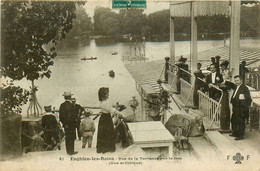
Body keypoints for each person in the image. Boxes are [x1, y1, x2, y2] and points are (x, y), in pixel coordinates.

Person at [96, 87, 124, 153]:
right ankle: (108, 148)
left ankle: (103, 148)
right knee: (108, 132)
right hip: (106, 118)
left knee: (103, 133)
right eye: (107, 93)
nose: (108, 94)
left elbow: (110, 107)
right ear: (104, 94)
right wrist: (121, 114)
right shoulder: (105, 103)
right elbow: (112, 110)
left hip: (103, 117)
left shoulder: (102, 102)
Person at [225, 75, 252, 140]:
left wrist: (243, 105)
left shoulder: (244, 88)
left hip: (241, 108)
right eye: (235, 81)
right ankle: (235, 133)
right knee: (234, 120)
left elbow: (249, 99)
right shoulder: (237, 87)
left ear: (241, 80)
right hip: (236, 107)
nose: (236, 82)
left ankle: (240, 135)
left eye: (237, 80)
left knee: (240, 122)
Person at [59, 91, 78, 155]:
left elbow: (61, 117)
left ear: (64, 97)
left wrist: (64, 124)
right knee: (72, 137)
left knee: (67, 137)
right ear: (70, 97)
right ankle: (71, 151)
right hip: (72, 125)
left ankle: (68, 151)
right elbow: (75, 115)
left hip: (66, 125)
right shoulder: (72, 105)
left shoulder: (62, 105)